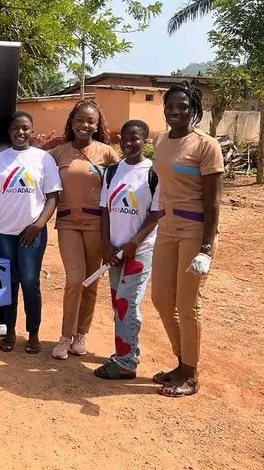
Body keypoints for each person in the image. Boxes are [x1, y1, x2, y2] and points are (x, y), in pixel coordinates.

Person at [150, 82, 223, 397]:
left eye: (183, 107)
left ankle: (190, 374)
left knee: (187, 304)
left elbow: (213, 203)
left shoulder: (206, 146)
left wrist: (206, 248)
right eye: (170, 106)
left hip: (195, 232)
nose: (175, 112)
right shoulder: (160, 140)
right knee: (161, 299)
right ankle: (182, 361)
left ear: (195, 110)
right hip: (166, 229)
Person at [0, 111, 61, 353]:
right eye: (16, 128)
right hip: (3, 232)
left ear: (32, 130)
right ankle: (10, 331)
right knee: (9, 284)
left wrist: (38, 225)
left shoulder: (44, 159)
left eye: (25, 128)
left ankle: (33, 333)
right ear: (10, 131)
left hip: (32, 233)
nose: (20, 132)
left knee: (29, 282)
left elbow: (53, 197)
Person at [49, 100, 119, 359]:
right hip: (67, 222)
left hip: (96, 225)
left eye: (91, 121)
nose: (85, 125)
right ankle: (64, 337)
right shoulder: (58, 153)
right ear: (72, 122)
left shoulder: (108, 154)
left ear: (97, 124)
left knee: (91, 281)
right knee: (75, 278)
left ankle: (81, 334)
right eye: (80, 120)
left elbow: (120, 189)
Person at [94, 120, 159, 380]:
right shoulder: (112, 172)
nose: (129, 143)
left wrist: (134, 243)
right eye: (125, 139)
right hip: (114, 251)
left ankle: (125, 362)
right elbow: (104, 210)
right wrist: (106, 245)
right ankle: (129, 351)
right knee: (118, 302)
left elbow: (155, 215)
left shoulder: (154, 173)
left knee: (126, 302)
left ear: (145, 141)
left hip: (140, 250)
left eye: (136, 139)